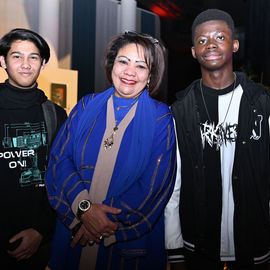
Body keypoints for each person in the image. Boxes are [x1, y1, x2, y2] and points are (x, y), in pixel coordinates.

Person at [45, 31, 176, 270]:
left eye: (141, 66)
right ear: (112, 65)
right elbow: (59, 161)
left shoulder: (161, 118)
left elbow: (154, 186)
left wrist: (101, 222)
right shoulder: (85, 106)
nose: (129, 72)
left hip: (124, 243)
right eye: (123, 61)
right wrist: (83, 210)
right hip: (74, 232)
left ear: (150, 76)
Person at [165, 8, 270, 270]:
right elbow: (173, 187)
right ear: (193, 51)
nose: (210, 43)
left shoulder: (262, 104)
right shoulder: (180, 111)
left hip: (254, 245)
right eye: (201, 40)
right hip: (197, 247)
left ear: (234, 45)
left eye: (219, 37)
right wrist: (174, 250)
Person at [0, 28, 67, 269]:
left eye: (34, 57)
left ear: (44, 63)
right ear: (3, 61)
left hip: (39, 242)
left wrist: (41, 229)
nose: (26, 64)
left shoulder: (56, 115)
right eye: (17, 56)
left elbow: (61, 177)